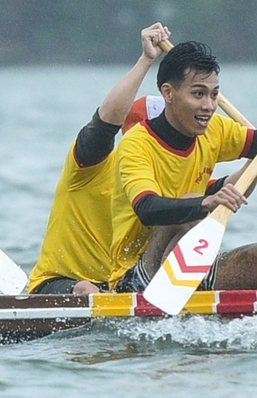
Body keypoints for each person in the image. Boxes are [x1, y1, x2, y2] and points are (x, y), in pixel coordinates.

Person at [107, 42, 257, 294]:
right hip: (136, 278)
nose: (209, 106)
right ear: (168, 93)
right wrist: (206, 203)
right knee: (193, 208)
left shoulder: (216, 130)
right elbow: (147, 209)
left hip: (194, 264)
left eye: (214, 95)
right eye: (198, 94)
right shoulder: (136, 143)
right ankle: (175, 303)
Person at [27, 21, 174, 296]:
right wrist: (145, 60)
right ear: (132, 134)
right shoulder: (91, 166)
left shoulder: (166, 180)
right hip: (60, 284)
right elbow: (107, 121)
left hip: (122, 287)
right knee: (87, 289)